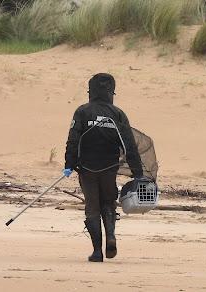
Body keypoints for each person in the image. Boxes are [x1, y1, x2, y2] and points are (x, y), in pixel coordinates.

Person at [63, 73, 144, 262]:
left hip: (87, 168)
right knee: (108, 203)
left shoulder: (82, 112)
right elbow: (129, 145)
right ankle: (111, 237)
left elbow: (73, 139)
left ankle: (97, 252)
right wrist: (137, 172)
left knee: (92, 207)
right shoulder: (118, 114)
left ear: (90, 91)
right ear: (111, 92)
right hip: (109, 168)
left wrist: (68, 164)